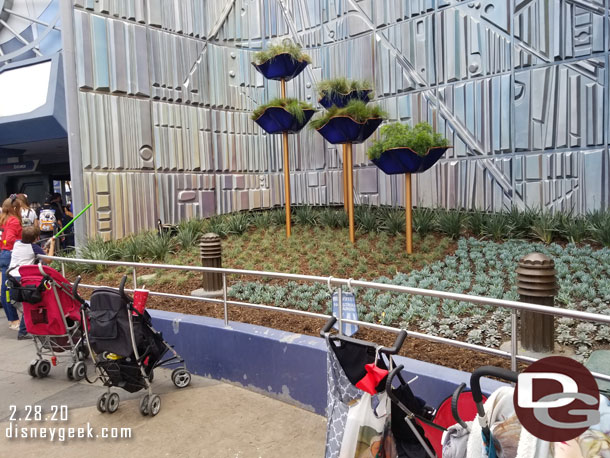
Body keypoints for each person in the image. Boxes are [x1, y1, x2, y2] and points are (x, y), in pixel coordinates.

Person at [9, 226, 52, 340]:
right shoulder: (33, 247)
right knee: (29, 303)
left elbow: (29, 255)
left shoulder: (17, 244)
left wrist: (42, 251)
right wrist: (51, 244)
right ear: (36, 238)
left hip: (11, 277)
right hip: (22, 278)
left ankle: (26, 329)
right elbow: (49, 260)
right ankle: (23, 331)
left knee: (25, 303)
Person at [0, 195, 23, 330]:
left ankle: (12, 319)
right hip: (10, 255)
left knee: (5, 288)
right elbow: (9, 240)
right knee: (9, 288)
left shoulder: (3, 220)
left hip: (3, 254)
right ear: (14, 207)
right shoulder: (13, 221)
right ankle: (14, 320)